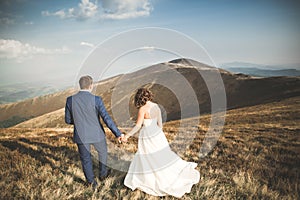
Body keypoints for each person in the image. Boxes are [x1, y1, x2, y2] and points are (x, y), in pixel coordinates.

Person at [123, 88, 200, 198]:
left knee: (147, 157)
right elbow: (160, 125)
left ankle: (148, 179)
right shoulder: (156, 106)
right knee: (161, 156)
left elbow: (138, 126)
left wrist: (127, 136)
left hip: (147, 136)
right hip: (158, 134)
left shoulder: (142, 109)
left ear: (139, 98)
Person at [65, 75, 124, 189]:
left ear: (80, 85)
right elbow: (106, 118)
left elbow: (68, 120)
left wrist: (80, 122)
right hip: (97, 134)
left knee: (85, 159)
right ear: (91, 86)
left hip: (81, 135)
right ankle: (103, 175)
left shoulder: (70, 100)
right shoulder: (97, 100)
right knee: (103, 154)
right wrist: (118, 134)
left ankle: (91, 183)